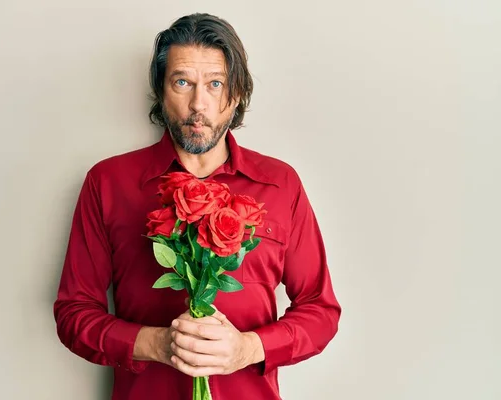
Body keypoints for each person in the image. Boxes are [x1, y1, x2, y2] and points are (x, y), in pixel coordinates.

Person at [53, 12, 341, 400]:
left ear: (236, 94)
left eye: (216, 84)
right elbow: (74, 314)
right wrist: (156, 344)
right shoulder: (108, 183)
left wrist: (248, 349)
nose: (198, 104)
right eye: (182, 82)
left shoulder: (281, 184)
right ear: (161, 90)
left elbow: (321, 312)